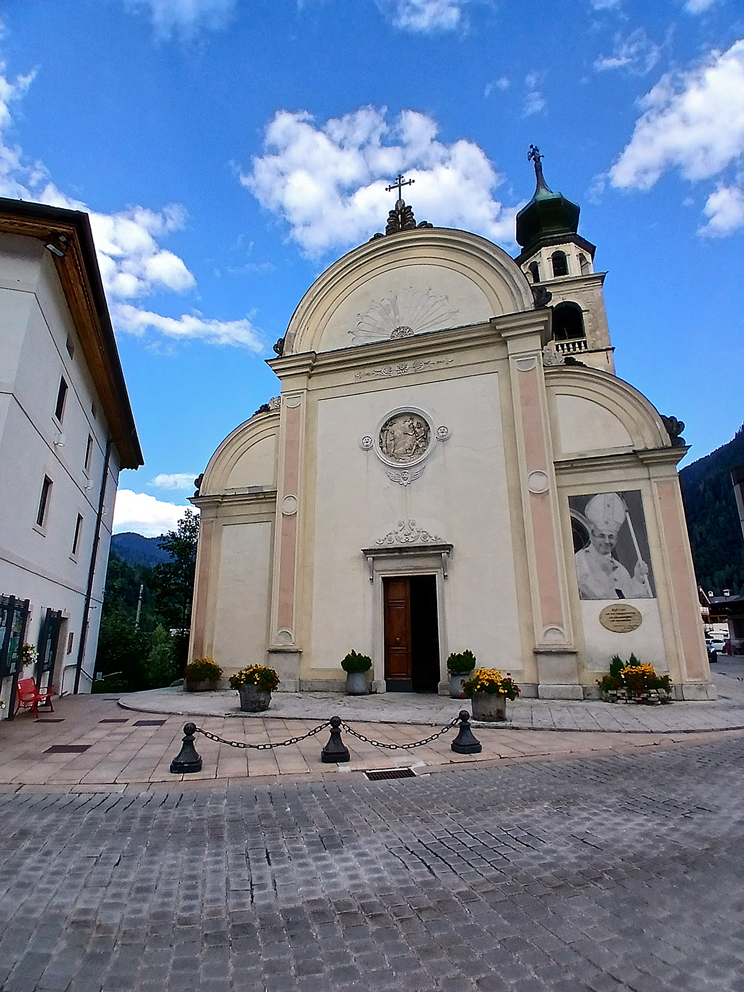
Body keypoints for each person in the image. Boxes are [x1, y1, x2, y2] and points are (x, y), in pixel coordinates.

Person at [574, 493, 652, 600]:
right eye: (601, 536)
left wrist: (638, 580)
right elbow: (596, 597)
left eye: (611, 537)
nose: (607, 541)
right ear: (592, 535)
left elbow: (631, 602)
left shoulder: (620, 570)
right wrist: (606, 574)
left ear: (616, 539)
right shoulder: (579, 560)